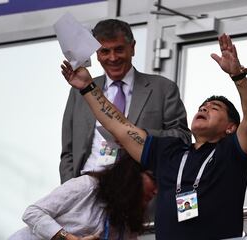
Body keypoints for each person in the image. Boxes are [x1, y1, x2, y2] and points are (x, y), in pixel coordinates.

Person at [61, 33, 247, 239]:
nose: (205, 107)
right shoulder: (169, 151)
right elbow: (119, 127)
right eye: (203, 106)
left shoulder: (232, 151)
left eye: (215, 108)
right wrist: (88, 87)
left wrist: (238, 76)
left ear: (230, 127)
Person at [59, 19, 191, 183]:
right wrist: (69, 187)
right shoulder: (80, 90)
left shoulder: (163, 88)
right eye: (105, 51)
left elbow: (182, 138)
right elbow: (68, 151)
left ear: (133, 48)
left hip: (136, 190)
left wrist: (136, 136)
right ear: (97, 54)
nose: (113, 58)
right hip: (87, 186)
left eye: (119, 49)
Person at [9, 153, 157, 240]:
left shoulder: (129, 222)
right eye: (154, 179)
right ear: (131, 175)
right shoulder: (88, 186)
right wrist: (67, 238)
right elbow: (32, 213)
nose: (157, 191)